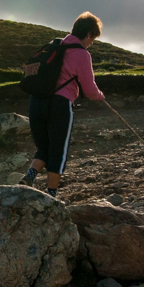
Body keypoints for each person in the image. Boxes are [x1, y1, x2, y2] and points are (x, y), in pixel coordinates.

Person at [20, 12, 105, 198]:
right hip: (59, 103)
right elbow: (89, 90)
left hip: (36, 100)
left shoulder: (54, 45)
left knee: (44, 145)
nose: (92, 43)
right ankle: (52, 195)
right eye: (93, 38)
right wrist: (101, 96)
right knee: (58, 149)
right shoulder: (82, 54)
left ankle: (30, 176)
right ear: (89, 34)